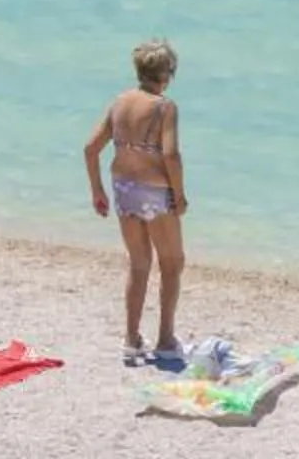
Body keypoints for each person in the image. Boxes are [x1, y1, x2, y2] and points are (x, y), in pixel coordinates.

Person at [83, 38, 189, 368]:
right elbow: (170, 154)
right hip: (156, 193)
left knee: (139, 262)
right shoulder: (164, 107)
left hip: (124, 188)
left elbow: (90, 148)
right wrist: (180, 194)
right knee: (172, 263)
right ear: (167, 74)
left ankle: (131, 339)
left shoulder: (120, 102)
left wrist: (97, 190)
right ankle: (166, 339)